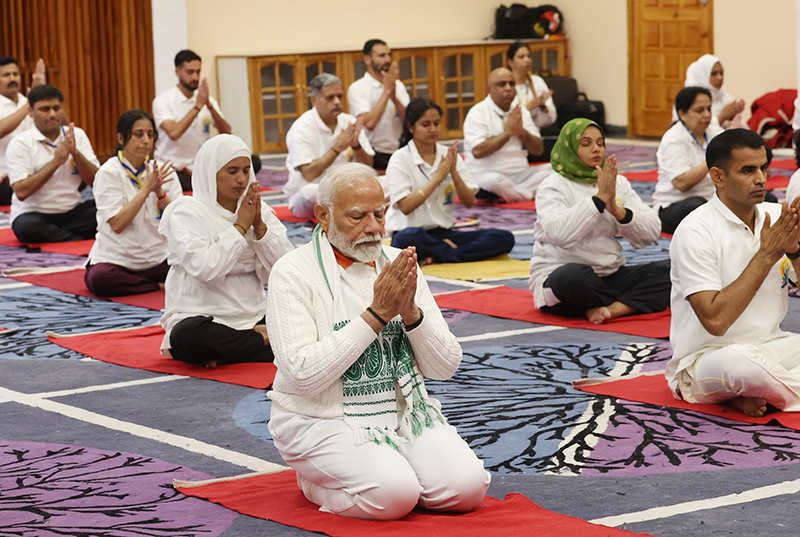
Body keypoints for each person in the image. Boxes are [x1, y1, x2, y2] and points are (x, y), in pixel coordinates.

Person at [266, 162, 490, 520]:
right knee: (395, 497)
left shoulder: (396, 264)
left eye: (379, 214)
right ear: (323, 216)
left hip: (402, 413)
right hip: (319, 418)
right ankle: (316, 483)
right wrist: (376, 316)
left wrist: (411, 314)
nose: (373, 228)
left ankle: (387, 466)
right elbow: (303, 376)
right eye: (357, 217)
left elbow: (446, 366)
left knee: (466, 490)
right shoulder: (293, 272)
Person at [666, 129, 800, 418]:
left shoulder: (776, 216)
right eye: (748, 170)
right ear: (718, 177)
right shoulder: (695, 231)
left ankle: (762, 394)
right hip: (710, 357)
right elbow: (716, 321)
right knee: (742, 364)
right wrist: (766, 256)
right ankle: (760, 389)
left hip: (771, 345)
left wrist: (796, 253)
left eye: (764, 167)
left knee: (757, 365)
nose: (761, 178)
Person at [159, 134, 294, 369]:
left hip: (255, 316)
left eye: (245, 170)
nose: (241, 179)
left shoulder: (258, 211)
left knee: (307, 320)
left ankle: (232, 352)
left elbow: (288, 271)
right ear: (210, 172)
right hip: (203, 316)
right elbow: (206, 269)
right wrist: (240, 227)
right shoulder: (184, 212)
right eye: (232, 171)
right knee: (186, 337)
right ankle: (261, 341)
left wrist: (260, 229)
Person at [529, 118, 669, 324]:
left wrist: (617, 210)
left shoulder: (616, 182)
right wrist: (599, 200)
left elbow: (652, 232)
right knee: (572, 278)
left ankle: (612, 309)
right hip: (562, 272)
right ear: (569, 148)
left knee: (674, 270)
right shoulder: (553, 185)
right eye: (586, 144)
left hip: (609, 272)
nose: (596, 149)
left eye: (600, 143)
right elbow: (559, 234)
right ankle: (625, 301)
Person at [386, 97, 515, 264]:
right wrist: (439, 176)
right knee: (405, 240)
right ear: (411, 127)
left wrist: (453, 171)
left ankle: (442, 255)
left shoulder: (449, 155)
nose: (433, 129)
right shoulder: (400, 159)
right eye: (426, 125)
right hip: (411, 234)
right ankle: (450, 253)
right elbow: (405, 206)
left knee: (504, 237)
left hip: (444, 234)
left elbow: (468, 202)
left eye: (437, 123)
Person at [85, 110, 182, 297]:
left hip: (159, 258)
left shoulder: (162, 170)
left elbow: (180, 221)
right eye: (139, 134)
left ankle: (147, 282)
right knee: (99, 279)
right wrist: (146, 189)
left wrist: (160, 193)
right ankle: (156, 286)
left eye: (150, 134)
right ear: (121, 138)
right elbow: (117, 224)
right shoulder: (108, 172)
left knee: (193, 270)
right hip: (118, 260)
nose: (146, 140)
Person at [6, 85, 99, 243]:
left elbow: (97, 182)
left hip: (73, 210)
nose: (52, 114)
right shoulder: (21, 143)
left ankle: (63, 236)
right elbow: (21, 192)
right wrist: (56, 162)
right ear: (30, 112)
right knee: (26, 227)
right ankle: (77, 239)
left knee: (109, 210)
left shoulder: (77, 135)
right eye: (45, 109)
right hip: (35, 214)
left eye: (56, 108)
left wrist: (76, 154)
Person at [284, 73, 374, 220]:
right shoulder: (301, 128)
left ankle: (353, 208)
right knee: (309, 192)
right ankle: (355, 209)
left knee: (387, 182)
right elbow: (308, 174)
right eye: (330, 98)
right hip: (311, 194)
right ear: (314, 99)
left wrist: (356, 146)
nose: (337, 102)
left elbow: (369, 167)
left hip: (348, 191)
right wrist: (337, 148)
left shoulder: (349, 122)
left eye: (339, 96)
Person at [463, 68, 548, 202]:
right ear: (489, 88)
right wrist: (507, 133)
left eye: (511, 84)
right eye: (501, 84)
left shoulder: (521, 111)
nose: (508, 88)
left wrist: (522, 133)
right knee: (493, 182)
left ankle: (511, 195)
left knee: (557, 171)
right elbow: (478, 151)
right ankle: (529, 195)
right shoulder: (478, 112)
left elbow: (538, 150)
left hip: (522, 174)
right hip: (487, 174)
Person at [152, 50, 232, 191]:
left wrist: (210, 106)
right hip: (172, 167)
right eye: (190, 72)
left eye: (198, 72)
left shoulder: (207, 100)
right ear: (177, 71)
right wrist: (198, 106)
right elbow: (174, 132)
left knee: (248, 164)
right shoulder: (163, 101)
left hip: (199, 166)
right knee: (177, 179)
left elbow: (227, 132)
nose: (195, 77)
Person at [653, 86, 725, 234]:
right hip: (676, 205)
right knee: (698, 206)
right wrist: (713, 157)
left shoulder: (715, 133)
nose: (707, 115)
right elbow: (682, 183)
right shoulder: (673, 139)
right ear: (682, 114)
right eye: (700, 110)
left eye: (709, 109)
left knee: (762, 198)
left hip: (713, 199)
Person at [347, 39, 410, 171]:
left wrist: (394, 96)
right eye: (381, 56)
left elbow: (409, 121)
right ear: (367, 60)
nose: (387, 60)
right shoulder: (358, 88)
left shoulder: (398, 86)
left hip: (398, 150)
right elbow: (369, 123)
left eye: (389, 55)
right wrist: (387, 92)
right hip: (371, 154)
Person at [0, 57, 46, 205]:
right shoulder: (29, 104)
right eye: (6, 75)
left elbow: (56, 128)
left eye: (15, 74)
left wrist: (42, 95)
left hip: (30, 175)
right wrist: (30, 103)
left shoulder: (27, 102)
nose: (12, 79)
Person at [671, 54, 745, 129]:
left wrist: (735, 117)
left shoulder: (726, 98)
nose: (720, 78)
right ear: (702, 75)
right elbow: (688, 128)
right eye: (714, 74)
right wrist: (722, 117)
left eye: (721, 73)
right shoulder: (687, 99)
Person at [506, 42, 556, 131]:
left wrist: (543, 108)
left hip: (534, 135)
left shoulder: (537, 82)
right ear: (510, 62)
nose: (527, 60)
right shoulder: (506, 85)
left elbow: (551, 119)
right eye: (521, 57)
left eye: (529, 56)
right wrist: (529, 108)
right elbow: (506, 118)